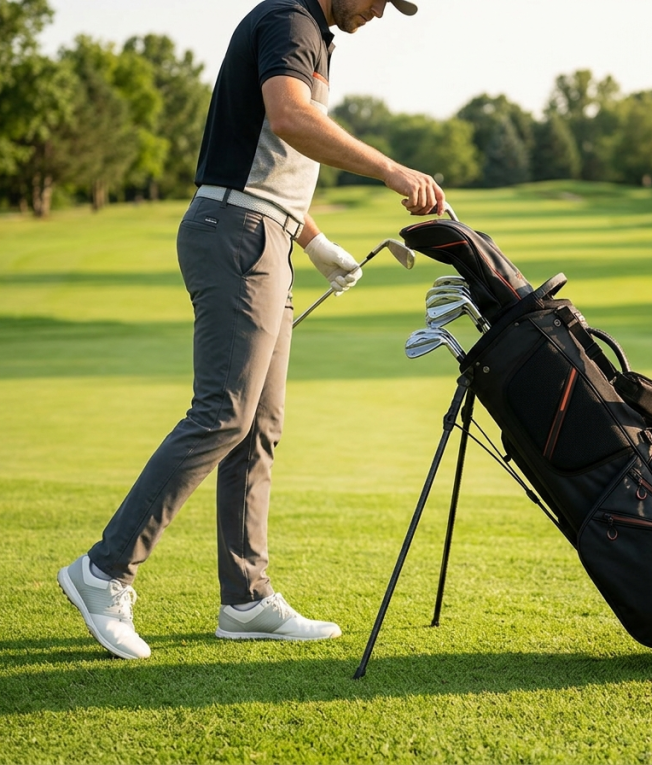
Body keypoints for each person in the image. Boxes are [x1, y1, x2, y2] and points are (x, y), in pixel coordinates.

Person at [57, 0, 445, 660]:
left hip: (267, 233)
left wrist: (315, 240)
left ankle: (245, 599)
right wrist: (389, 169)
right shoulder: (289, 22)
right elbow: (289, 118)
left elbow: (272, 154)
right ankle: (103, 569)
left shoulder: (313, 35)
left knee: (258, 426)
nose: (382, 12)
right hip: (237, 234)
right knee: (223, 413)